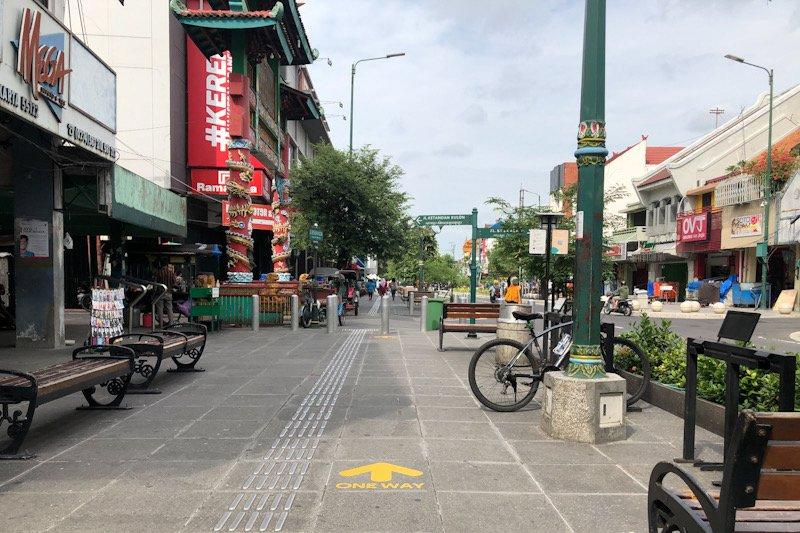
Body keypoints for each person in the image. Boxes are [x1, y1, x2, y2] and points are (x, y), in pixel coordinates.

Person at [154, 262, 177, 327]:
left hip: (160, 293)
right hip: (169, 292)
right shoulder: (171, 273)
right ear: (167, 266)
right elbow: (174, 283)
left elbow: (155, 282)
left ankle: (161, 324)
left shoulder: (158, 273)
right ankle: (171, 323)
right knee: (169, 308)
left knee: (160, 308)